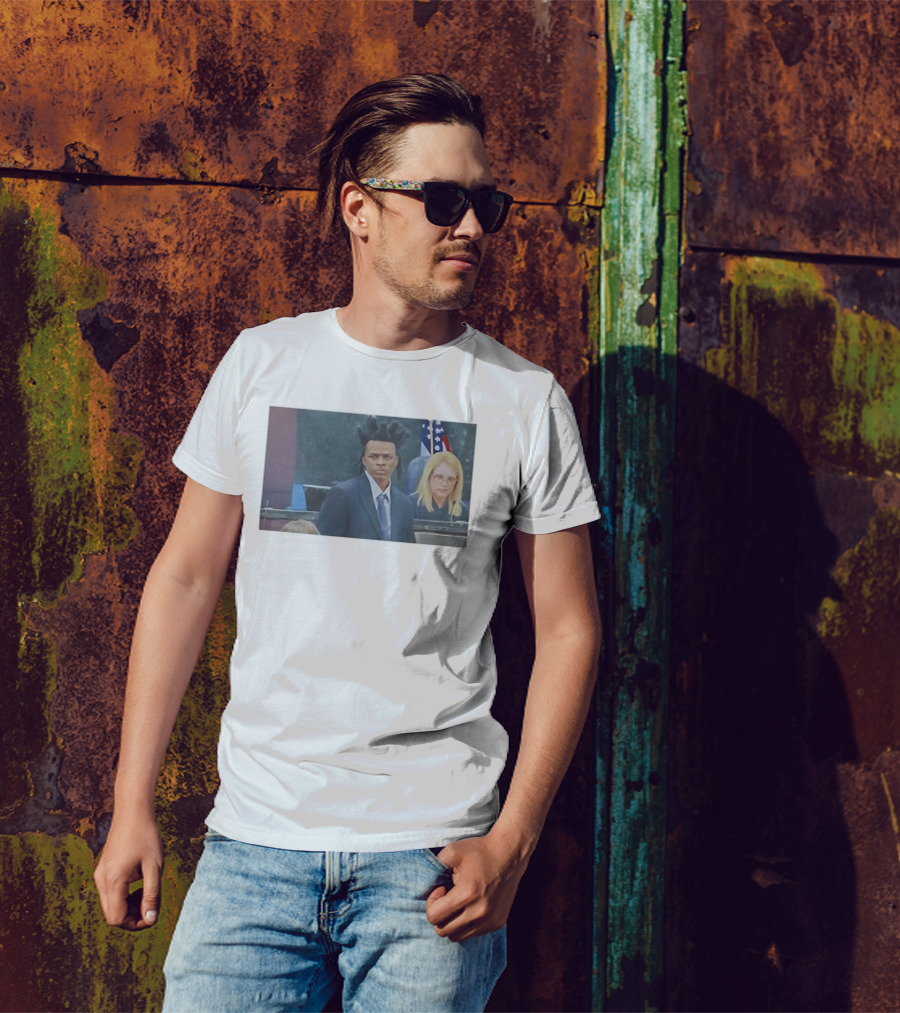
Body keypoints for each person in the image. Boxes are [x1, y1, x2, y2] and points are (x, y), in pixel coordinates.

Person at [94, 73, 601, 1013]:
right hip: (254, 850)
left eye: (485, 202)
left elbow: (569, 628)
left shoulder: (521, 402)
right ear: (359, 211)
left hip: (432, 866)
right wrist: (132, 804)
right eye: (442, 200)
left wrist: (513, 842)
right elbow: (186, 578)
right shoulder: (264, 363)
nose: (472, 226)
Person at [316, 416, 417, 542]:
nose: (381, 462)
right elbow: (324, 546)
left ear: (396, 461)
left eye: (387, 457)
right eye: (374, 457)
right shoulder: (342, 495)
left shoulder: (404, 505)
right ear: (364, 460)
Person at [412, 450, 469, 522]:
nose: (445, 484)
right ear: (428, 476)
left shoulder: (463, 511)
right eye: (439, 477)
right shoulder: (410, 506)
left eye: (450, 479)